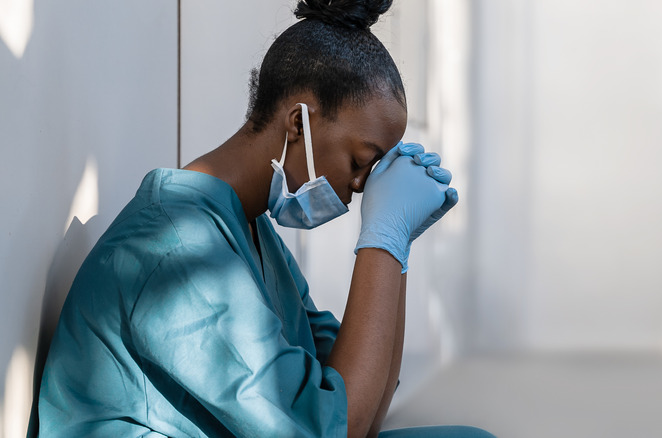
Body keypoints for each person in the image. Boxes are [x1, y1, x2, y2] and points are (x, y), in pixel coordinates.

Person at [34, 1, 494, 437]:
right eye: (360, 162)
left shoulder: (254, 233)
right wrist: (383, 235)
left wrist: (400, 245)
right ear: (298, 124)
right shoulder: (176, 248)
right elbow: (335, 428)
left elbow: (363, 409)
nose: (362, 188)